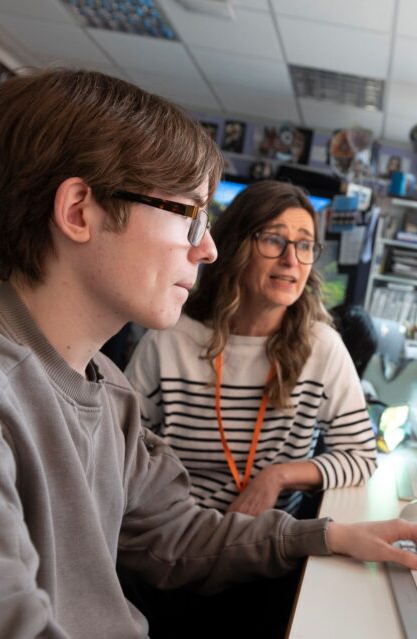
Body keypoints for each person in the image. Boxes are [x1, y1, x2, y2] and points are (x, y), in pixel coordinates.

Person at [0, 68, 417, 639]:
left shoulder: (104, 385)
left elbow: (177, 537)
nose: (208, 249)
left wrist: (325, 538)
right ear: (80, 211)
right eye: (189, 217)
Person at [126, 180, 376, 518]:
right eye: (274, 240)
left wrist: (278, 477)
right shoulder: (170, 339)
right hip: (175, 538)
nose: (291, 260)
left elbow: (360, 456)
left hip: (269, 549)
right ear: (236, 248)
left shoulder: (322, 347)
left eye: (304, 245)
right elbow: (124, 449)